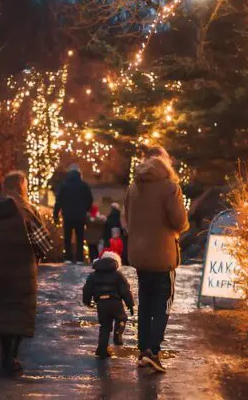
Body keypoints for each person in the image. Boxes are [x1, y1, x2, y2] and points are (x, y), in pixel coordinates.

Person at [123, 148, 189, 373]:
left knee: (146, 303)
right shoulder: (170, 188)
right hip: (163, 256)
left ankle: (143, 350)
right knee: (163, 304)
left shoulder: (133, 187)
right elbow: (179, 222)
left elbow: (128, 220)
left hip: (140, 255)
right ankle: (153, 351)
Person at [0, 171, 49, 375]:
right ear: (22, 187)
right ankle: (14, 357)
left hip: (2, 268)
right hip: (25, 269)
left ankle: (4, 355)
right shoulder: (29, 210)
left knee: (4, 309)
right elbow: (41, 242)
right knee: (21, 311)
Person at [82, 250, 134, 359]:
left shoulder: (93, 275)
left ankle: (101, 349)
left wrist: (87, 301)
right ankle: (118, 334)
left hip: (101, 303)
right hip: (115, 302)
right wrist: (130, 304)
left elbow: (87, 289)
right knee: (122, 318)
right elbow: (125, 290)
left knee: (105, 326)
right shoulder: (118, 275)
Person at [53, 163, 93, 264]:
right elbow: (90, 200)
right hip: (80, 216)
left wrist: (56, 215)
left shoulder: (64, 185)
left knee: (67, 237)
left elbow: (58, 201)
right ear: (79, 173)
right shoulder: (84, 185)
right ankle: (79, 258)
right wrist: (85, 209)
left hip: (67, 216)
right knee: (80, 237)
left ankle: (68, 258)